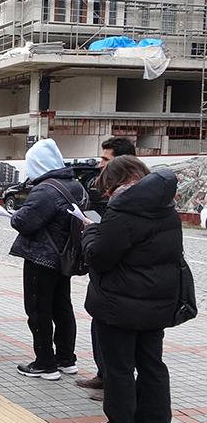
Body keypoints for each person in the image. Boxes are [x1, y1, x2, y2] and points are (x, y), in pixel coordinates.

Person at [82, 155, 180, 423]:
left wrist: (90, 232)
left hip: (119, 304)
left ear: (120, 181)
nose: (108, 195)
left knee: (119, 369)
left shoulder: (122, 211)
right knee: (153, 366)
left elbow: (100, 258)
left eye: (108, 188)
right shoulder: (166, 209)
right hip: (157, 304)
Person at [10, 138, 86, 381]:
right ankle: (66, 359)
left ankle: (45, 363)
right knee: (62, 307)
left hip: (41, 258)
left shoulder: (45, 189)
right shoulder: (75, 185)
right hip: (65, 257)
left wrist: (16, 213)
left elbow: (23, 221)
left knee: (38, 309)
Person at [78, 136, 138, 400]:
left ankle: (116, 387)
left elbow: (109, 247)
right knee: (99, 326)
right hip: (107, 281)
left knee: (123, 342)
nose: (100, 165)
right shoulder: (111, 192)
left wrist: (92, 233)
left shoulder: (132, 199)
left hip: (123, 281)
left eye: (106, 160)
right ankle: (104, 376)